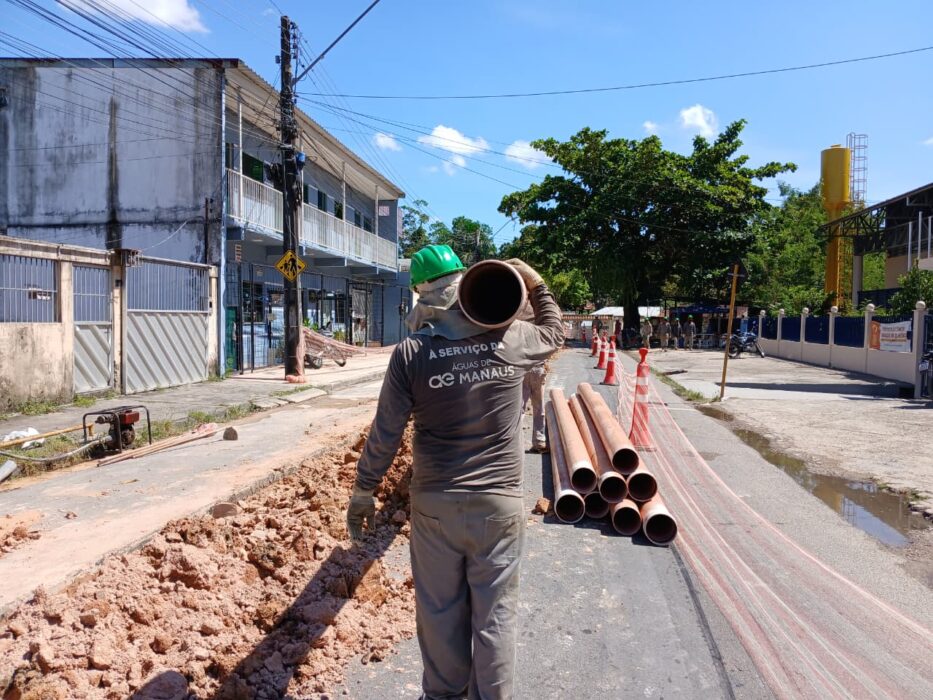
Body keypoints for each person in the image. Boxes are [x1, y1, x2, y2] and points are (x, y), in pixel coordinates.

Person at [346, 245, 563, 700]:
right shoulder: (512, 337)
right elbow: (555, 331)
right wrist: (537, 285)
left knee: (441, 615)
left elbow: (385, 432)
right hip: (499, 505)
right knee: (496, 618)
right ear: (463, 283)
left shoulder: (411, 352)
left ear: (420, 295)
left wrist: (364, 491)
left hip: (435, 507)